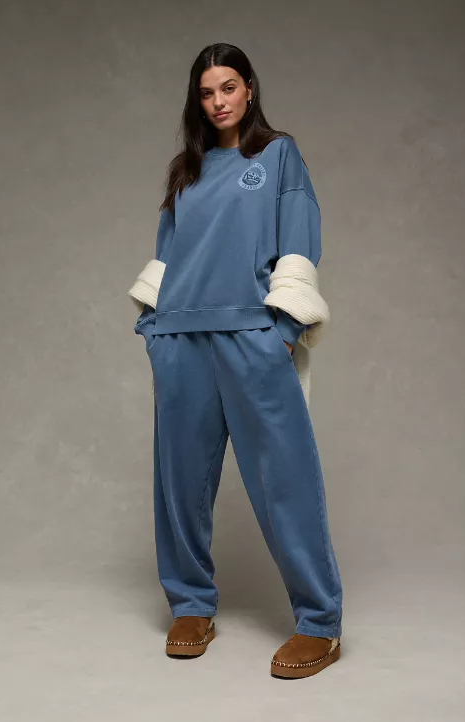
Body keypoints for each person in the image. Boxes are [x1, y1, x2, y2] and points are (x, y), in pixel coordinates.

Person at [128, 42, 343, 679]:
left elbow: (299, 237)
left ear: (249, 88)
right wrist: (153, 328)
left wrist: (283, 328)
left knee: (285, 479)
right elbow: (168, 254)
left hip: (252, 335)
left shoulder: (277, 155)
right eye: (206, 92)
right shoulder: (187, 169)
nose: (218, 101)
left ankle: (319, 622)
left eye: (228, 87)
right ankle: (191, 606)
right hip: (180, 339)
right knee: (180, 482)